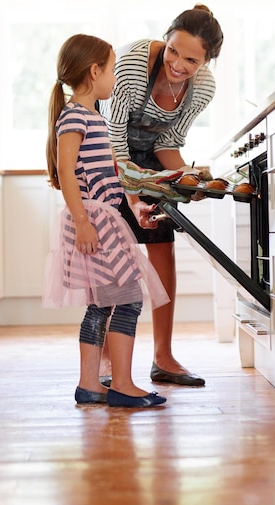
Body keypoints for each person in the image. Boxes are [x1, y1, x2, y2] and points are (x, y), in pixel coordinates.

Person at [99, 4, 224, 387]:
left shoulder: (202, 89)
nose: (178, 64)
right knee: (113, 250)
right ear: (165, 39)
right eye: (173, 51)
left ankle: (163, 357)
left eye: (191, 59)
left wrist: (184, 178)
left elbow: (169, 142)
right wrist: (135, 199)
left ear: (207, 61)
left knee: (161, 244)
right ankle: (105, 361)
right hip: (105, 152)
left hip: (150, 158)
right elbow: (114, 140)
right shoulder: (133, 65)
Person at [44, 34, 171, 408]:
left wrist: (133, 209)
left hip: (105, 217)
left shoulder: (92, 116)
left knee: (102, 304)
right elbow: (66, 171)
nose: (115, 77)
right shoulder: (75, 117)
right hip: (94, 221)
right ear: (94, 70)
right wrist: (83, 223)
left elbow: (109, 177)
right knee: (128, 299)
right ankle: (122, 384)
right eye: (112, 69)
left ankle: (90, 384)